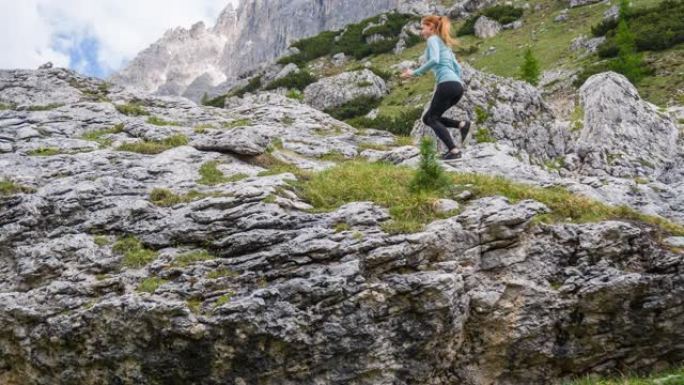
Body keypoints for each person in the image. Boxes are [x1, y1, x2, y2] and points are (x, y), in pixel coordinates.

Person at [401, 15, 470, 160]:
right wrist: (453, 82)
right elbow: (457, 68)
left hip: (446, 85)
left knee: (432, 119)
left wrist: (414, 72)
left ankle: (454, 151)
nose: (421, 30)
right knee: (429, 118)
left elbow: (434, 60)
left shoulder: (432, 39)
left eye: (423, 27)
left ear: (431, 27)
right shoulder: (444, 44)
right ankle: (461, 124)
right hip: (457, 87)